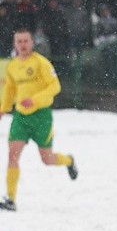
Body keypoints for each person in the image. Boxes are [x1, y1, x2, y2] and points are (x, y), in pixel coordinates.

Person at [1, 27, 78, 212]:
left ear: (32, 43)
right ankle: (10, 199)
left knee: (47, 159)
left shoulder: (41, 63)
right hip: (20, 117)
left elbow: (55, 86)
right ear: (15, 44)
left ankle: (68, 161)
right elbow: (10, 89)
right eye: (19, 41)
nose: (23, 45)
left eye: (26, 41)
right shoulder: (12, 66)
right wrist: (3, 108)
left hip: (41, 116)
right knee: (12, 155)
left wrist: (35, 100)